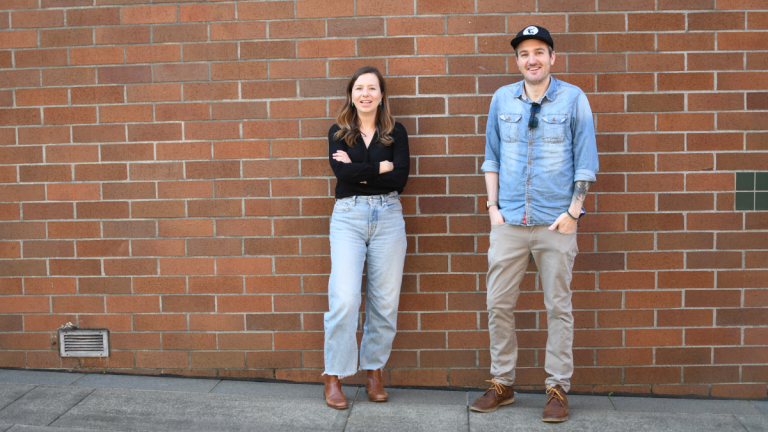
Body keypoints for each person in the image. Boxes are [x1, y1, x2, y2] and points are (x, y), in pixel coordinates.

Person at [469, 26, 599, 423]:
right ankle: (502, 383)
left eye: (539, 52)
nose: (532, 59)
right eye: (524, 53)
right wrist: (493, 209)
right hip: (508, 220)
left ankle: (557, 388)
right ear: (517, 61)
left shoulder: (574, 99)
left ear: (552, 58)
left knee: (558, 306)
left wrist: (574, 212)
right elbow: (491, 156)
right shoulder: (501, 99)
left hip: (555, 224)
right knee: (498, 304)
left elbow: (586, 161)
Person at [322, 66, 410, 410]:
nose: (366, 94)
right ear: (351, 94)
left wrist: (366, 173)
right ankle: (334, 375)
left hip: (388, 216)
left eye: (372, 88)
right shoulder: (338, 132)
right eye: (359, 88)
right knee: (344, 299)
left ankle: (374, 370)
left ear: (382, 95)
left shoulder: (396, 132)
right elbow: (341, 175)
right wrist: (380, 168)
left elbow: (400, 178)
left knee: (384, 302)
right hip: (348, 217)